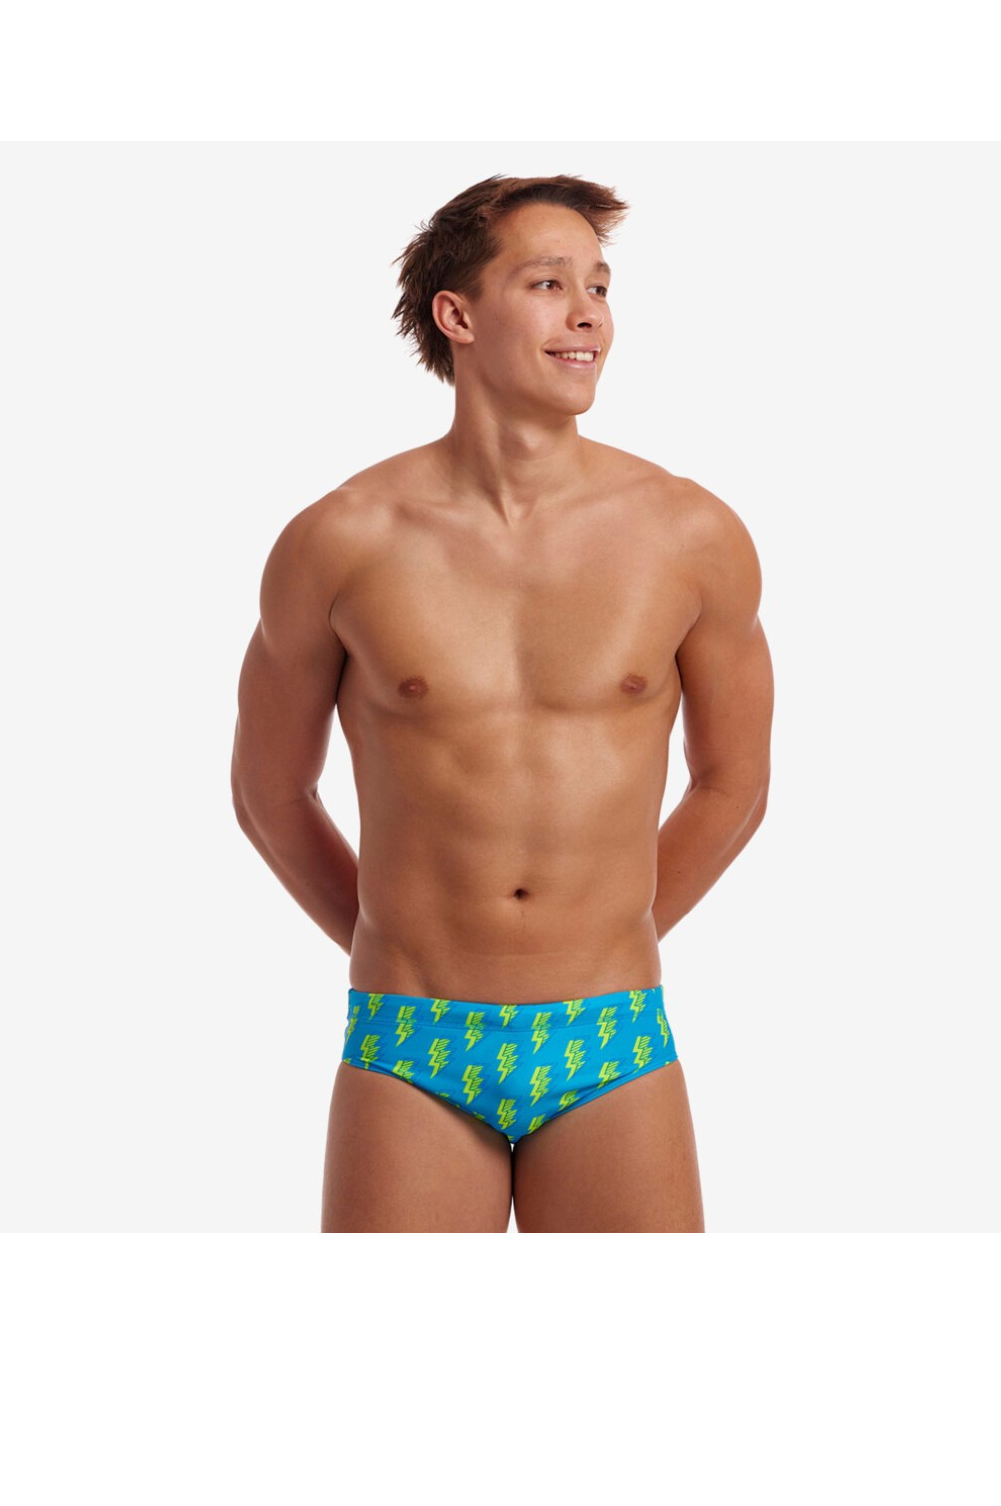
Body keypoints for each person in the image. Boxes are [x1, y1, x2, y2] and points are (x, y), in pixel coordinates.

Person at [231, 173, 774, 1232]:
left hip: (609, 1033)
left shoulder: (690, 535)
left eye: (600, 287)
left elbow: (734, 783)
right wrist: (397, 940)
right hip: (412, 1038)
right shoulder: (341, 540)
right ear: (459, 315)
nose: (589, 315)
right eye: (549, 283)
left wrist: (605, 932)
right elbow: (269, 794)